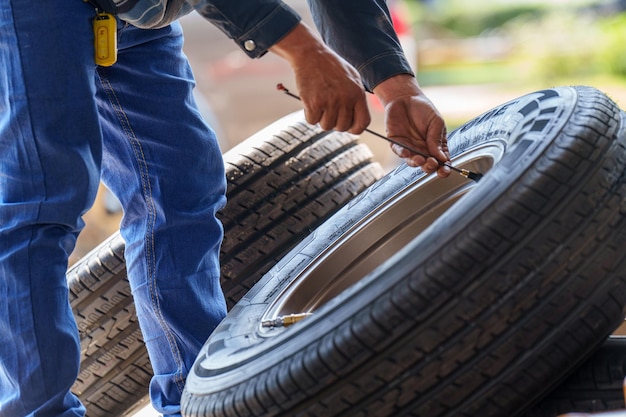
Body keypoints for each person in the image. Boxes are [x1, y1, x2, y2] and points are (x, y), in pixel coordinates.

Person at [0, 0, 450, 416]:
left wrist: (396, 89)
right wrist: (304, 51)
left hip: (140, 11)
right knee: (44, 198)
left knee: (182, 185)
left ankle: (195, 402)